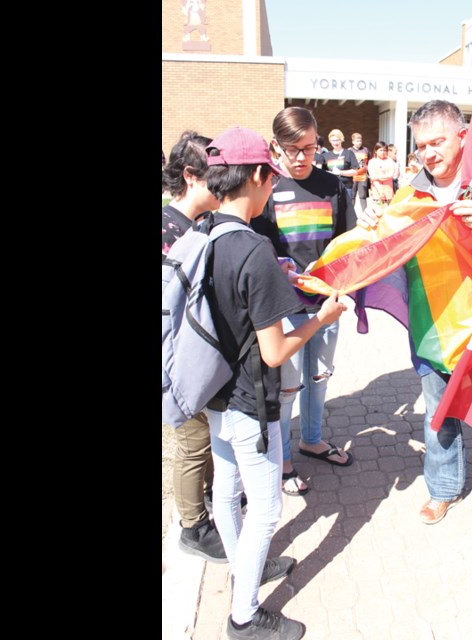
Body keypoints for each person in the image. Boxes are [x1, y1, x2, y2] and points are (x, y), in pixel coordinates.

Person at [201, 126, 347, 640]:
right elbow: (276, 350)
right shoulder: (253, 249)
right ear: (261, 176)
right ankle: (245, 617)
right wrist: (320, 321)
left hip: (212, 393)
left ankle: (244, 571)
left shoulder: (206, 234)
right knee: (266, 506)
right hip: (248, 397)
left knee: (225, 489)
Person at [357, 100, 472, 524]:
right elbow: (379, 248)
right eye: (422, 145)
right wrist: (371, 221)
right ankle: (443, 490)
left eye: (438, 142)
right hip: (431, 328)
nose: (429, 153)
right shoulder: (409, 196)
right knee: (437, 416)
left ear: (463, 136)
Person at [251, 106, 354, 498]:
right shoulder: (267, 189)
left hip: (326, 304)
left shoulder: (333, 186)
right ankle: (283, 462)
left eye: (309, 149)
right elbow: (257, 251)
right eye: (292, 149)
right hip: (285, 310)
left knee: (319, 377)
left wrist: (343, 285)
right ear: (275, 146)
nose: (300, 158)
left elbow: (348, 244)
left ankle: (313, 440)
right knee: (287, 387)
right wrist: (283, 272)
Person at [161, 130, 228, 563]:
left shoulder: (200, 223)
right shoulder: (170, 229)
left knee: (203, 436)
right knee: (193, 440)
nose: (224, 187)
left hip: (199, 355)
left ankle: (209, 500)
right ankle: (193, 526)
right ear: (190, 176)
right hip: (178, 359)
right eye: (215, 177)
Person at [321, 129, 359, 226]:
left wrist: (340, 172)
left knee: (347, 212)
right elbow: (322, 171)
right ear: (330, 141)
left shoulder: (349, 153)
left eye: (337, 140)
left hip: (347, 188)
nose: (335, 142)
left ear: (342, 140)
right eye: (333, 140)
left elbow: (355, 171)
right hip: (331, 189)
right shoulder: (326, 156)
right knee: (333, 212)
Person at [366, 141, 395, 209]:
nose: (383, 152)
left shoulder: (390, 161)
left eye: (385, 150)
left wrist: (378, 177)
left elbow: (391, 174)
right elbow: (373, 177)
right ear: (376, 151)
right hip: (377, 192)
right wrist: (380, 192)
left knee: (389, 213)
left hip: (389, 192)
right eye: (380, 150)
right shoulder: (372, 162)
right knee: (378, 213)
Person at [349, 132, 370, 214]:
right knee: (352, 197)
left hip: (363, 177)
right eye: (357, 141)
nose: (359, 142)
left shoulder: (365, 150)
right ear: (353, 142)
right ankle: (351, 214)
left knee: (362, 196)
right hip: (352, 177)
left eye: (360, 140)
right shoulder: (349, 151)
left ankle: (366, 214)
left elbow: (369, 161)